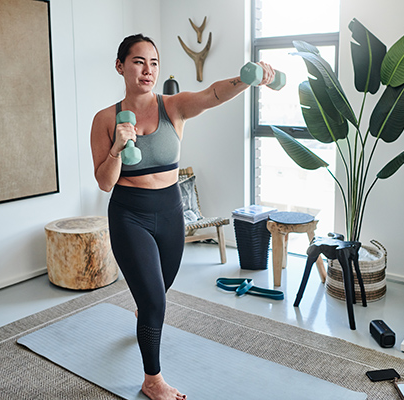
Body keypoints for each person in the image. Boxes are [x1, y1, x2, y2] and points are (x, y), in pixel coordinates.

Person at [90, 34, 276, 400]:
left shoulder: (172, 107)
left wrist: (246, 80)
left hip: (170, 212)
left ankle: (145, 318)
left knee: (158, 291)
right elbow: (105, 182)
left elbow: (213, 94)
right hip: (130, 214)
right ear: (120, 66)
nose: (148, 70)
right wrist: (117, 146)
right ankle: (152, 380)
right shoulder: (105, 119)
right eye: (139, 61)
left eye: (154, 63)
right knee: (156, 302)